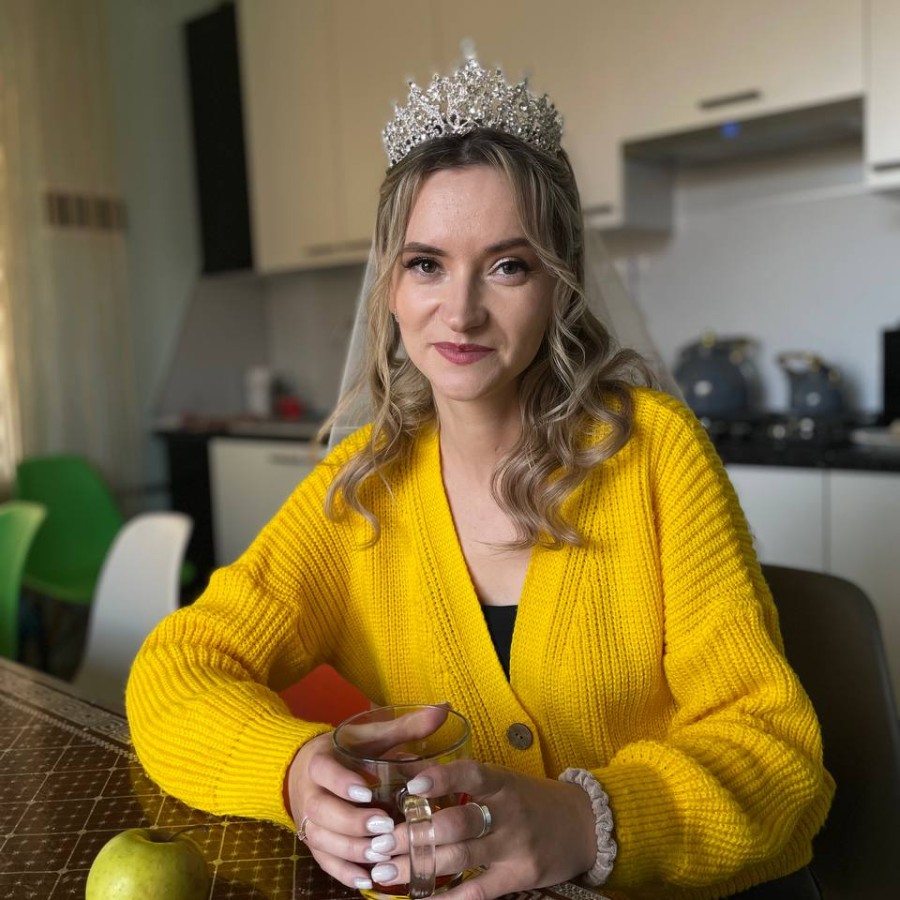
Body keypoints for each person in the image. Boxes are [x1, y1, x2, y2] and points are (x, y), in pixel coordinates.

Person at [127, 52, 833, 900]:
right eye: (426, 263)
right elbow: (176, 669)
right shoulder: (360, 491)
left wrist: (586, 822)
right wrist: (289, 771)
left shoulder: (656, 454)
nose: (459, 312)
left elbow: (779, 756)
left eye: (508, 265)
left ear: (558, 284)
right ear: (389, 286)